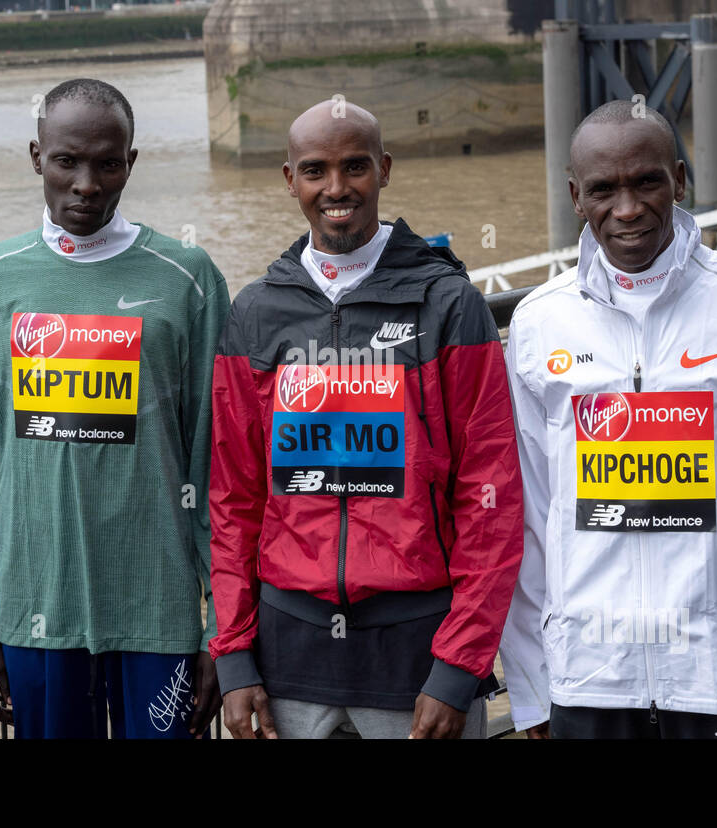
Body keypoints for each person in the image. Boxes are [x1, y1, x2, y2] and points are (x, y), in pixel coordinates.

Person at [499, 100, 717, 739]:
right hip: (590, 675)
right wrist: (532, 688)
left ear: (680, 181)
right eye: (604, 189)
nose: (628, 208)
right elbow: (527, 518)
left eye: (647, 182)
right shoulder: (537, 324)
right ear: (576, 196)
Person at [209, 101, 524, 739]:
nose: (336, 189)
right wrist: (234, 656)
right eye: (315, 171)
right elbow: (233, 499)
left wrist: (459, 667)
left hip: (417, 656)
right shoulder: (255, 313)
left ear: (383, 169)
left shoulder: (449, 304)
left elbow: (491, 497)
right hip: (286, 656)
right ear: (289, 179)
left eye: (355, 167)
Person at [0, 78, 228, 739]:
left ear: (130, 163)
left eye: (107, 163)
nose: (86, 183)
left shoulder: (187, 277)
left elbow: (217, 462)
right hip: (36, 610)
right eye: (66, 161)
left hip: (158, 611)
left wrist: (224, 622)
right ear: (36, 157)